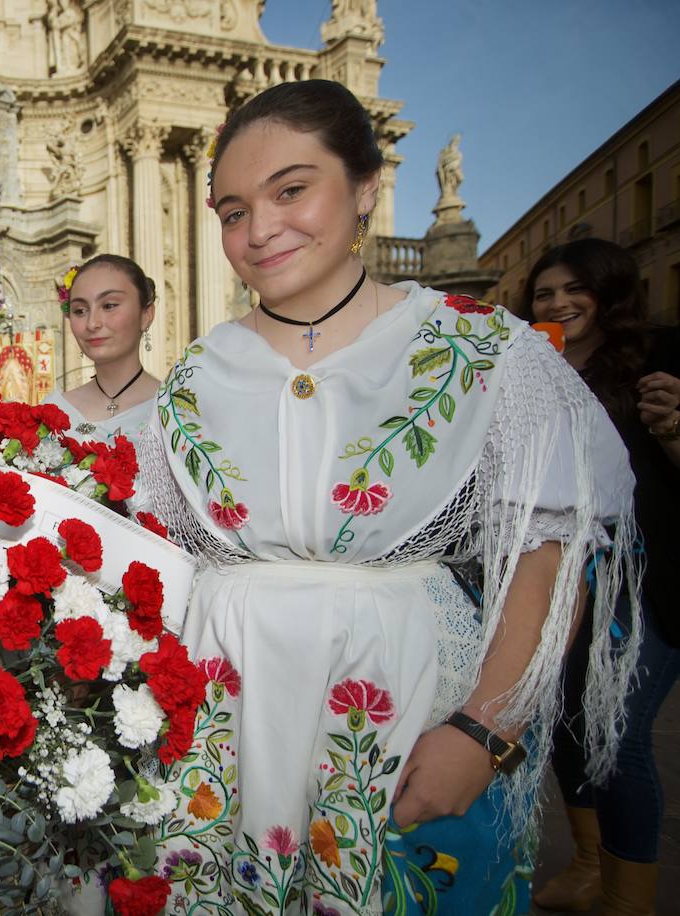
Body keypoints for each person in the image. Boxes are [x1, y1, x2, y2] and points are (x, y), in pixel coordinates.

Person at [136, 80, 638, 915]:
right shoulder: (192, 375)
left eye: (291, 189)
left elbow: (547, 550)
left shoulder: (482, 351)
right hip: (223, 730)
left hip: (406, 718)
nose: (258, 231)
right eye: (231, 210)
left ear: (366, 187)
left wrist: (485, 733)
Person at [526, 238, 679, 916]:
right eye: (544, 293)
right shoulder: (534, 374)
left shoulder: (660, 359)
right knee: (563, 723)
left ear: (608, 293)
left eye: (572, 289)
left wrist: (674, 429)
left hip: (650, 580)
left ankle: (630, 896)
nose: (558, 303)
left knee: (615, 729)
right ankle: (591, 863)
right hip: (564, 581)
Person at [44, 254, 160, 442]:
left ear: (146, 314)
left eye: (109, 305)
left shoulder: (173, 412)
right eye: (80, 310)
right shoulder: (53, 411)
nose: (92, 323)